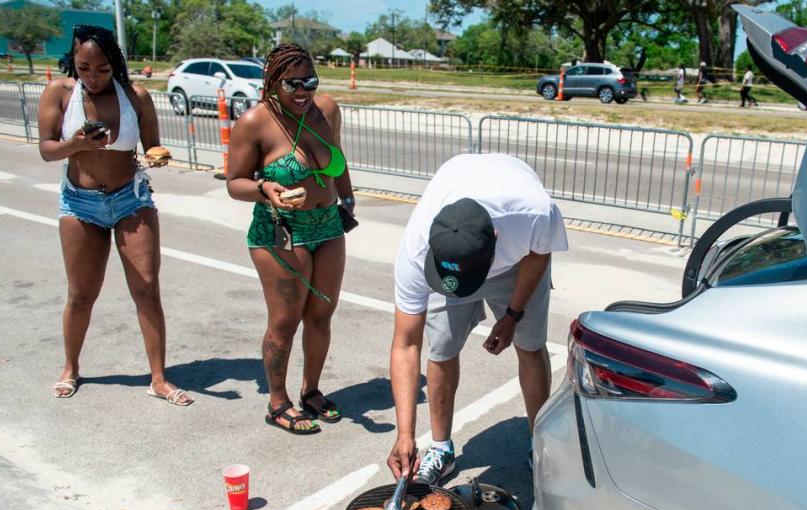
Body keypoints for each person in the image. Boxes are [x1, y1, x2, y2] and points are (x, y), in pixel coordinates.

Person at [386, 154, 569, 484]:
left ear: (497, 239)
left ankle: (539, 443)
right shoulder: (416, 251)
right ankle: (441, 449)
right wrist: (405, 433)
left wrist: (512, 315)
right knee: (440, 348)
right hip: (457, 256)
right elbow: (406, 345)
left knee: (530, 345)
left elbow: (539, 254)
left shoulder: (533, 214)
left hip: (520, 261)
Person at [36, 25, 193, 406]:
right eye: (84, 67)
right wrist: (75, 143)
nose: (93, 76)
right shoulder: (60, 93)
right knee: (81, 293)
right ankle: (70, 368)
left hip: (130, 200)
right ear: (74, 61)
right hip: (80, 204)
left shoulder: (135, 96)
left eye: (102, 68)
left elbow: (153, 144)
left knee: (146, 288)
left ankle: (158, 378)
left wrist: (158, 154)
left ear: (115, 64)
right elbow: (46, 149)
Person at [226, 43, 356, 435]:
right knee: (285, 322)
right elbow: (234, 183)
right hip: (280, 231)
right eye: (293, 84)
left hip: (328, 225)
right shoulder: (254, 122)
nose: (303, 92)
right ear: (272, 83)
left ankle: (311, 391)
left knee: (321, 315)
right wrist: (265, 188)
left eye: (310, 82)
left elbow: (339, 159)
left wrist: (347, 199)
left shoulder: (326, 110)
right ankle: (277, 402)